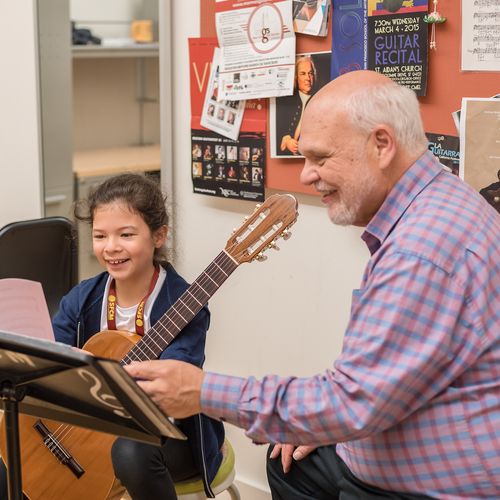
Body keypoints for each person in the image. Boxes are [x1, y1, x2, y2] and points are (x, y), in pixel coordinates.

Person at [123, 71, 500, 499]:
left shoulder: (419, 251)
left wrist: (202, 391)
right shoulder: (444, 200)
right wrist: (331, 426)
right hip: (413, 425)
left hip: (439, 481)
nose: (305, 176)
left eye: (320, 158)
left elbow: (351, 401)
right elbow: (379, 382)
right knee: (288, 463)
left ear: (382, 145)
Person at [0, 173, 225, 500]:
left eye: (127, 234)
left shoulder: (185, 305)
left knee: (130, 452)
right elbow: (48, 359)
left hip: (171, 436)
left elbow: (174, 388)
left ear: (159, 235)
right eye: (100, 235)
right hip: (87, 427)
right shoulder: (83, 297)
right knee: (10, 452)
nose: (111, 247)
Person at [276, 55, 317, 156]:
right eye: (303, 74)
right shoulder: (286, 101)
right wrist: (286, 139)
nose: (308, 78)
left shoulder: (319, 100)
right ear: (296, 77)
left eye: (310, 73)